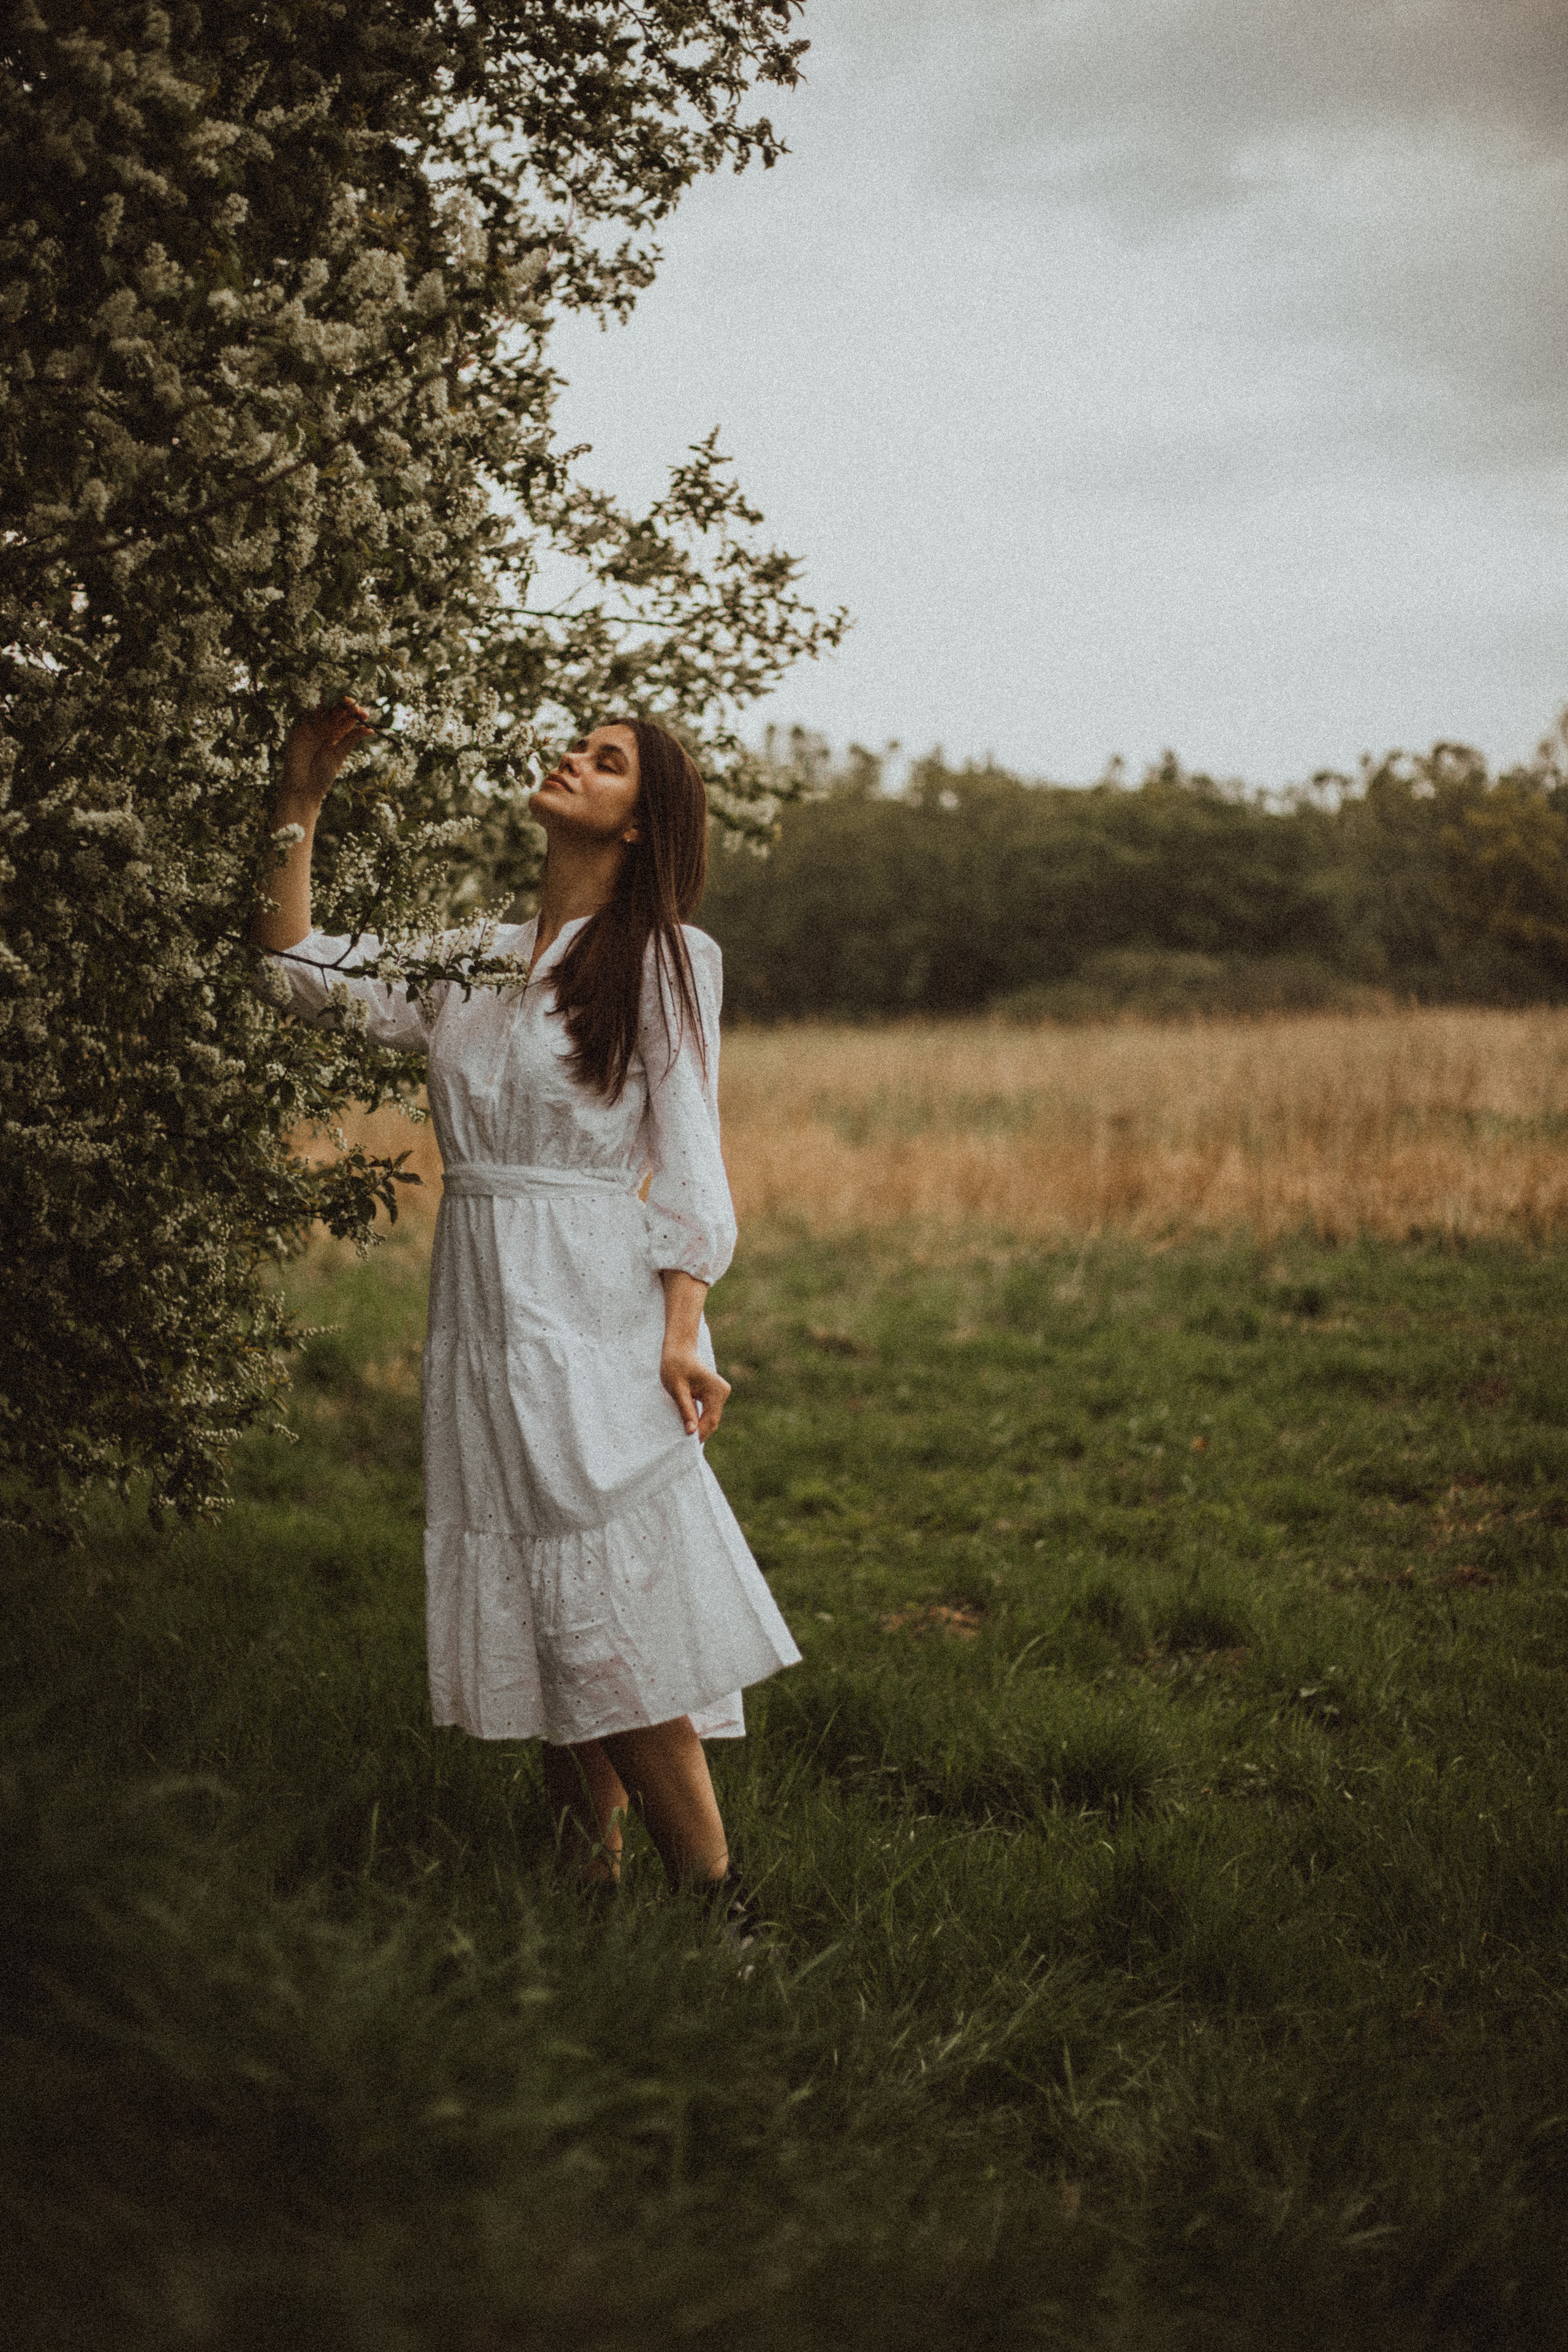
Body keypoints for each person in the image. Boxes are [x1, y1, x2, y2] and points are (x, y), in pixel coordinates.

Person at [252, 702, 800, 1899]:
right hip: (484, 1297)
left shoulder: (666, 956)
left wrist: (677, 1331)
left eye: (606, 762)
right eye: (578, 746)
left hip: (595, 1297)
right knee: (550, 1586)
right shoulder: (478, 955)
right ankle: (581, 1883)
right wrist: (300, 798)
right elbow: (293, 971)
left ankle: (720, 1907)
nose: (572, 760)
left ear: (644, 823)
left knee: (608, 1594)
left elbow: (693, 1155)